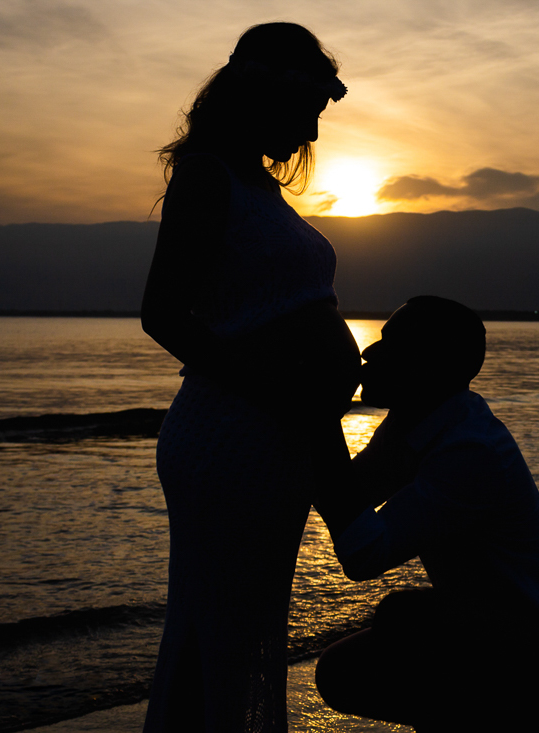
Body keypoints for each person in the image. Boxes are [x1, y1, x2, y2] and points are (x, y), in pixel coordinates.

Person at [140, 23, 360, 733]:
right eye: (308, 114)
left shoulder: (255, 186)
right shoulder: (208, 174)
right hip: (233, 437)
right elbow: (163, 313)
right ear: (266, 97)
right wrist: (279, 394)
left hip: (271, 437)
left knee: (242, 631)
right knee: (223, 634)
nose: (312, 137)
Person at [312, 296, 539, 733]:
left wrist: (318, 425)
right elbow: (351, 492)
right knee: (347, 668)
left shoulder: (470, 452)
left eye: (392, 344)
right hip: (506, 629)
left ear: (430, 366)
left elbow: (363, 553)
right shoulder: (419, 420)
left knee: (403, 622)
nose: (369, 353)